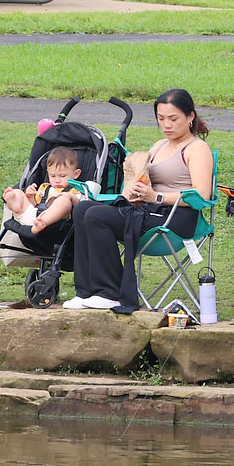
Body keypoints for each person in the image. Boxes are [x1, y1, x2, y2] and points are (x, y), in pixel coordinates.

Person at [66, 88, 213, 310]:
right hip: (147, 211)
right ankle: (86, 291)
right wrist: (136, 190)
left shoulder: (196, 148)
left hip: (176, 218)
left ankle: (110, 292)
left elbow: (201, 195)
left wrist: (156, 196)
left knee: (97, 215)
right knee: (82, 209)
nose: (167, 125)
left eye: (173, 119)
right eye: (161, 119)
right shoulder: (159, 145)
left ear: (190, 116)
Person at [3, 146, 82, 235]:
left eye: (62, 176)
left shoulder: (75, 190)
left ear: (76, 174)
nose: (57, 180)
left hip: (52, 224)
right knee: (18, 192)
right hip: (33, 217)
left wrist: (70, 197)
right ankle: (17, 208)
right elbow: (35, 205)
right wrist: (30, 196)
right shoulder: (44, 187)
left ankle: (41, 221)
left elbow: (80, 206)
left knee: (64, 201)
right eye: (52, 176)